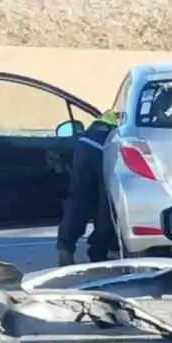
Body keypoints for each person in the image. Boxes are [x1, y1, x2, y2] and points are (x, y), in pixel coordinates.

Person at [57, 110, 121, 267]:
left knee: (79, 197)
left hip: (87, 142)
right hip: (109, 145)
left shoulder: (120, 105)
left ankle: (65, 246)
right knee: (107, 202)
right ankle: (100, 252)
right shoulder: (167, 113)